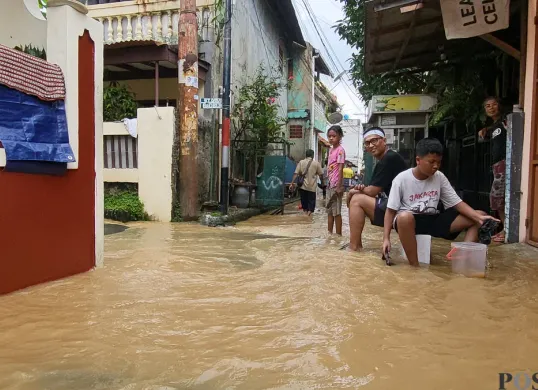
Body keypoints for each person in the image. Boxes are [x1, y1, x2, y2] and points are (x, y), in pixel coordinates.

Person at [383, 138, 498, 266]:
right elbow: (390, 211)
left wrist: (479, 218)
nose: (435, 166)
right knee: (404, 217)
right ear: (418, 160)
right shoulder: (401, 179)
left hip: (433, 219)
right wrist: (386, 239)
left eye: (438, 162)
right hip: (409, 222)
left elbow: (457, 203)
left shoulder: (439, 177)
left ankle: (463, 256)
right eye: (431, 162)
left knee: (479, 215)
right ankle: (414, 267)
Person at [347, 127, 407, 251]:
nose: (371, 145)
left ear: (384, 140)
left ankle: (354, 248)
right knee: (356, 197)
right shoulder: (387, 158)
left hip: (402, 209)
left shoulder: (388, 159)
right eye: (367, 143)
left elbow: (372, 191)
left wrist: (352, 192)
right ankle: (356, 245)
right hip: (399, 206)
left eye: (374, 141)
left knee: (356, 200)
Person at [478, 97, 507, 243]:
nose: (491, 108)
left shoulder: (506, 121)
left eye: (494, 104)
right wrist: (485, 130)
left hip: (505, 163)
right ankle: (505, 228)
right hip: (497, 165)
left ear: (499, 106)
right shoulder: (495, 126)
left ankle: (507, 230)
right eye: (488, 106)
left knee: (497, 197)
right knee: (498, 198)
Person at [290, 149, 323, 216]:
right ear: (312, 155)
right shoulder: (316, 164)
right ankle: (308, 218)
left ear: (306, 155)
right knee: (311, 206)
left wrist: (291, 183)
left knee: (304, 205)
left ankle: (305, 217)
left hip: (302, 187)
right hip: (312, 188)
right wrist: (322, 183)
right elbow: (321, 175)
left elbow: (295, 173)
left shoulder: (301, 162)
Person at [326, 125, 346, 235]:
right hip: (329, 184)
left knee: (337, 212)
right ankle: (329, 234)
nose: (331, 138)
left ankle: (338, 235)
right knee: (329, 211)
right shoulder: (331, 150)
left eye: (334, 136)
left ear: (340, 136)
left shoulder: (340, 150)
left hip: (335, 185)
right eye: (329, 136)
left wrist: (339, 186)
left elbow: (340, 168)